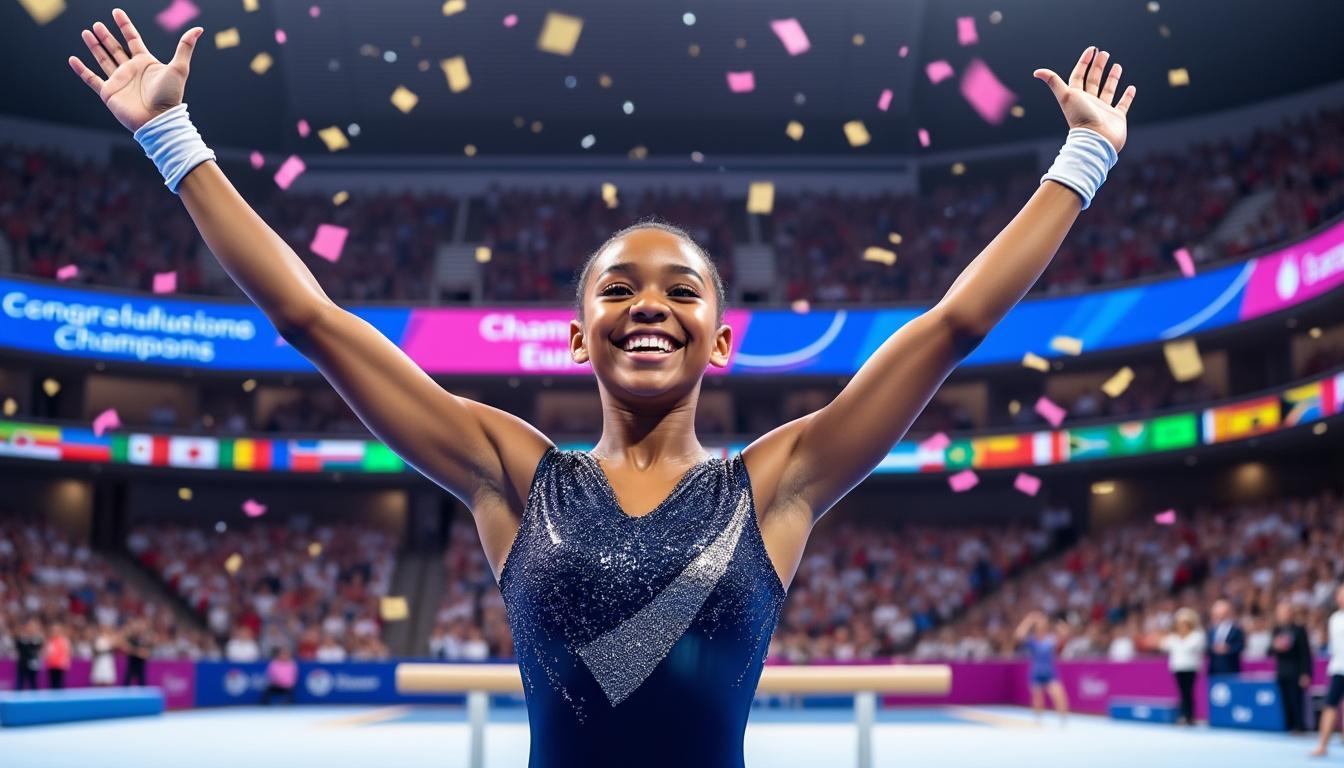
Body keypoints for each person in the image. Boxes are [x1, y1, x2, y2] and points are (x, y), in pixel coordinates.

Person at [67, 13, 1136, 767]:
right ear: (578, 336)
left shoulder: (780, 484)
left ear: (722, 339)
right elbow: (314, 322)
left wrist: (1082, 159)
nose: (650, 305)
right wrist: (172, 137)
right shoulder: (511, 474)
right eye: (618, 288)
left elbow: (952, 325)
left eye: (682, 290)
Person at [1015, 611, 1070, 724]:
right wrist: (1029, 620)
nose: (1042, 627)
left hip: (1050, 672)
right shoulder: (1032, 641)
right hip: (1036, 673)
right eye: (1039, 625)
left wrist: (1060, 625)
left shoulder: (1051, 639)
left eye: (1044, 625)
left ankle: (1063, 722)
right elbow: (1019, 635)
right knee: (1038, 700)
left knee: (1059, 696)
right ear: (1036, 628)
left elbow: (1065, 635)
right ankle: (1038, 722)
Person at [1311, 584, 1344, 758]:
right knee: (1330, 706)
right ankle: (1322, 745)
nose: (1341, 597)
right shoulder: (1334, 618)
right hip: (1338, 669)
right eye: (1339, 594)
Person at [1271, 601, 1313, 733]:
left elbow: (1305, 653)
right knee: (1285, 700)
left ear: (1291, 613)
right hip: (1282, 671)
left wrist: (1306, 673)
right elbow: (1269, 650)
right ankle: (1287, 725)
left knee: (1297, 700)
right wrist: (1276, 647)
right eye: (1280, 613)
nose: (1282, 615)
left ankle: (1299, 726)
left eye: (1285, 612)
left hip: (1296, 670)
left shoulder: (1299, 630)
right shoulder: (1277, 630)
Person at [1161, 607, 1205, 726]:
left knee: (1188, 692)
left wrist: (1179, 639)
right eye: (1180, 623)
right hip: (1177, 668)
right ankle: (1183, 716)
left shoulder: (1197, 635)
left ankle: (1189, 716)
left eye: (1184, 623)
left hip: (1191, 668)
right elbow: (1163, 645)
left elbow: (1189, 647)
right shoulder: (1173, 637)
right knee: (1181, 692)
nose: (1182, 626)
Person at [1207, 599, 1245, 677]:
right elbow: (1207, 645)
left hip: (1231, 668)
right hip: (1215, 669)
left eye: (1221, 613)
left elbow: (1240, 645)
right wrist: (1213, 648)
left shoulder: (1236, 630)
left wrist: (1228, 649)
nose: (1218, 616)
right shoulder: (1211, 630)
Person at [15, 618, 44, 691]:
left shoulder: (38, 638)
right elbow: (19, 647)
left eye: (33, 627)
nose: (31, 629)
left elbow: (38, 648)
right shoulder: (22, 638)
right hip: (23, 663)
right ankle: (17, 698)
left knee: (33, 682)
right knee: (20, 682)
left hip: (33, 663)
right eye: (29, 627)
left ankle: (35, 699)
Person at [121, 618, 149, 686]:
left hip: (140, 665)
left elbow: (145, 653)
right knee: (126, 683)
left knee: (142, 684)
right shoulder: (130, 638)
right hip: (131, 664)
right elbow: (126, 648)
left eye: (140, 627)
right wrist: (137, 651)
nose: (138, 629)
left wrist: (134, 651)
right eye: (137, 627)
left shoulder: (145, 639)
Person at [43, 624, 71, 690]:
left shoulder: (64, 641)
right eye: (53, 631)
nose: (55, 632)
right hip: (51, 665)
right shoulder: (50, 641)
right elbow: (46, 653)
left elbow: (67, 653)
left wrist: (65, 663)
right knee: (52, 683)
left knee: (60, 683)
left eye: (56, 631)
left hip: (60, 665)